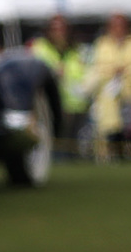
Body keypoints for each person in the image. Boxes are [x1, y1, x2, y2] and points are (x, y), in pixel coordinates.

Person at [84, 12, 131, 161]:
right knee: (113, 130)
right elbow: (98, 67)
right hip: (110, 95)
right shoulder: (102, 43)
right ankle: (117, 158)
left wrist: (121, 71)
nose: (118, 29)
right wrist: (116, 70)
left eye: (121, 25)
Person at [31, 14, 89, 155]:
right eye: (55, 28)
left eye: (62, 28)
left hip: (75, 103)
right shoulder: (40, 47)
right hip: (50, 103)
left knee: (72, 142)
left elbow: (84, 71)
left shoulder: (77, 49)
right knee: (54, 140)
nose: (59, 32)